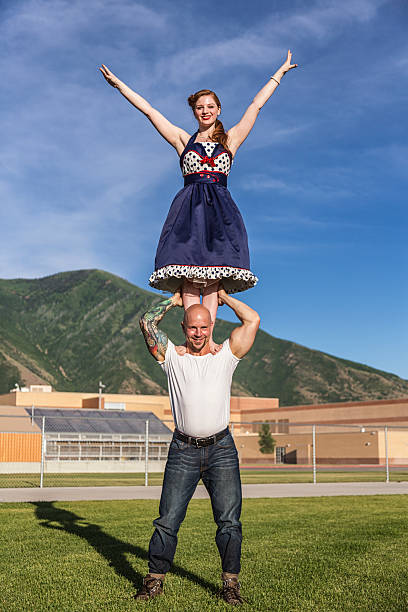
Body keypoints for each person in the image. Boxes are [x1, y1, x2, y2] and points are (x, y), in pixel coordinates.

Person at [99, 51, 297, 352]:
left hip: (221, 213)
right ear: (194, 112)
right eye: (199, 107)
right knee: (190, 277)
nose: (205, 111)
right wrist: (119, 85)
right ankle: (189, 341)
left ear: (218, 110)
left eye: (210, 106)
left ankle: (211, 340)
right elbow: (150, 111)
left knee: (214, 279)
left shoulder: (231, 140)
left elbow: (256, 106)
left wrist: (279, 74)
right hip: (189, 211)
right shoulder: (182, 140)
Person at [138, 285, 260, 605]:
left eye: (204, 326)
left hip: (222, 450)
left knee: (229, 521)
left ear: (211, 327)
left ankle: (230, 584)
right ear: (183, 327)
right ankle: (154, 580)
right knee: (168, 519)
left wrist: (223, 298)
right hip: (183, 450)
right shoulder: (172, 359)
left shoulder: (226, 356)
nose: (198, 332)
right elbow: (147, 324)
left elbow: (252, 320)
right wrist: (175, 301)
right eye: (192, 326)